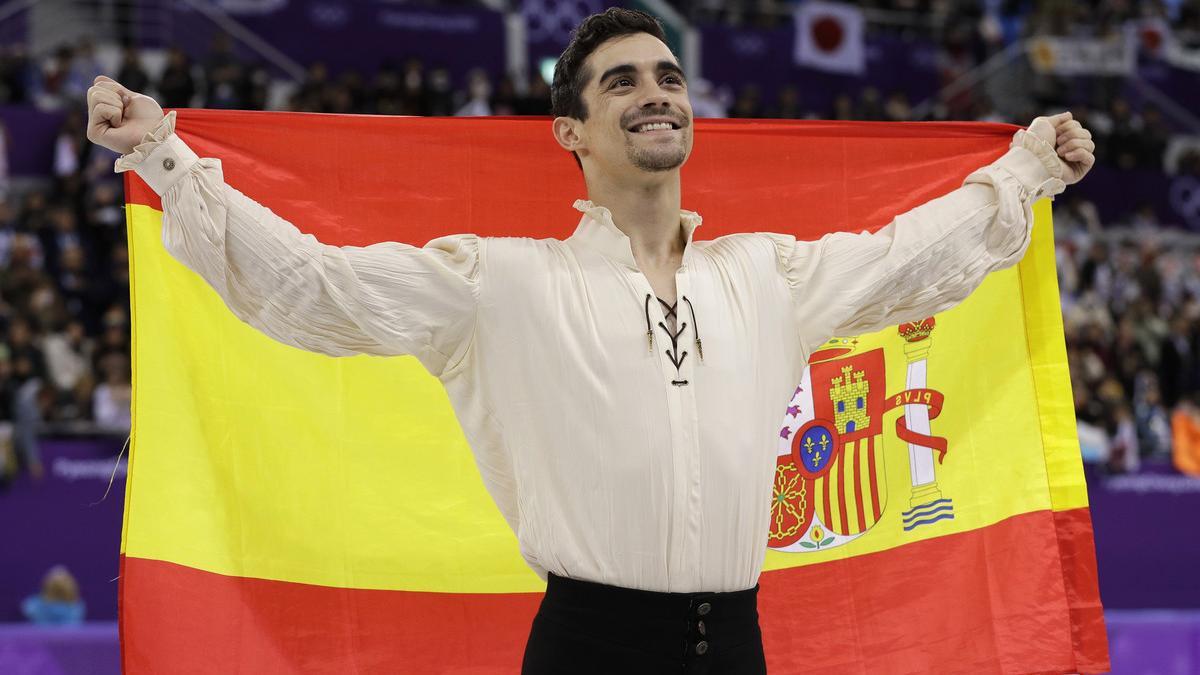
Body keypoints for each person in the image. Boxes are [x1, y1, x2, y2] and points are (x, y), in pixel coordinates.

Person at [85, 9, 1095, 674]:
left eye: (667, 76)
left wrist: (1027, 171)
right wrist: (164, 155)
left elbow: (910, 254)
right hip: (588, 648)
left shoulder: (770, 277)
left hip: (740, 645)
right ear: (570, 131)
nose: (655, 92)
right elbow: (314, 283)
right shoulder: (502, 284)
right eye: (620, 84)